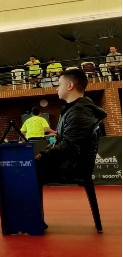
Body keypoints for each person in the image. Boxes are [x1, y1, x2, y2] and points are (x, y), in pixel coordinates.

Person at [35, 69, 107, 229]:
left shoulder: (79, 112)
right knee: (31, 166)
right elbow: (62, 142)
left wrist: (42, 156)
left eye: (59, 84)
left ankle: (32, 220)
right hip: (71, 162)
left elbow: (68, 147)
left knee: (28, 170)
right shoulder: (75, 109)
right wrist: (44, 153)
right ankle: (34, 218)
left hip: (74, 166)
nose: (56, 88)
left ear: (70, 85)